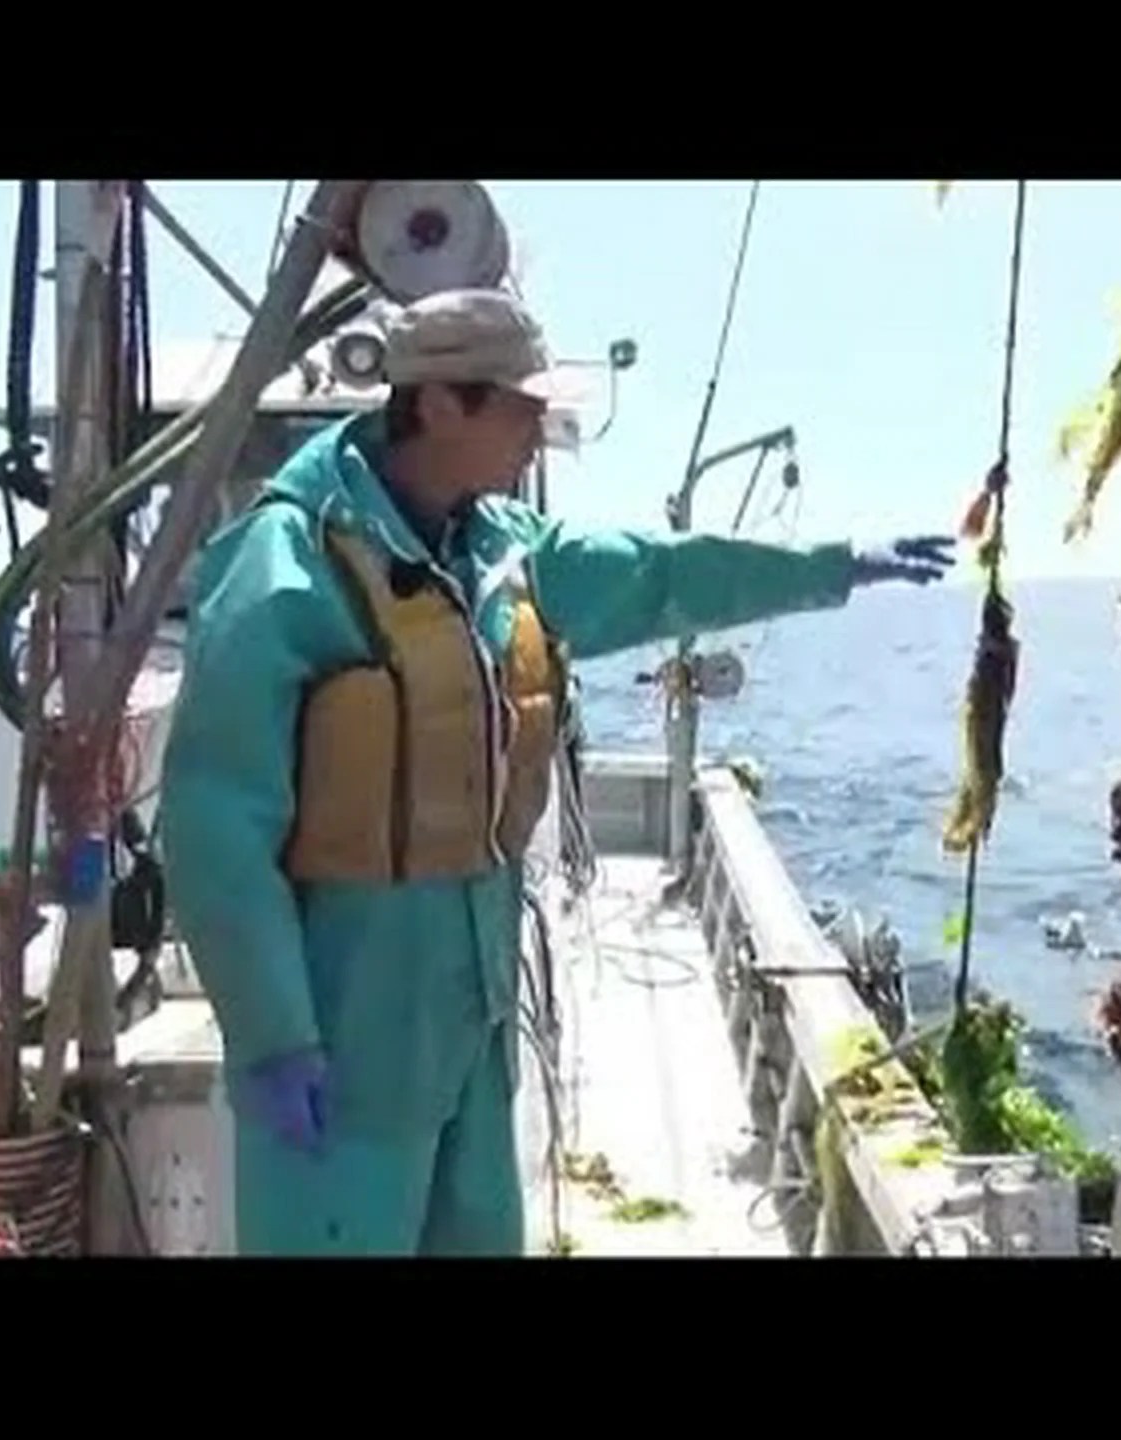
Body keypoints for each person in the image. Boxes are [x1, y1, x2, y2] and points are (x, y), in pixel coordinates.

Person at [157, 287, 953, 1256]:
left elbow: (662, 573)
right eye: (523, 407)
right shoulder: (285, 564)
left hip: (475, 1019)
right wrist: (273, 1032)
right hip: (346, 1030)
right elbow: (214, 822)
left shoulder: (504, 552)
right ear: (441, 403)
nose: (543, 430)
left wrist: (832, 566)